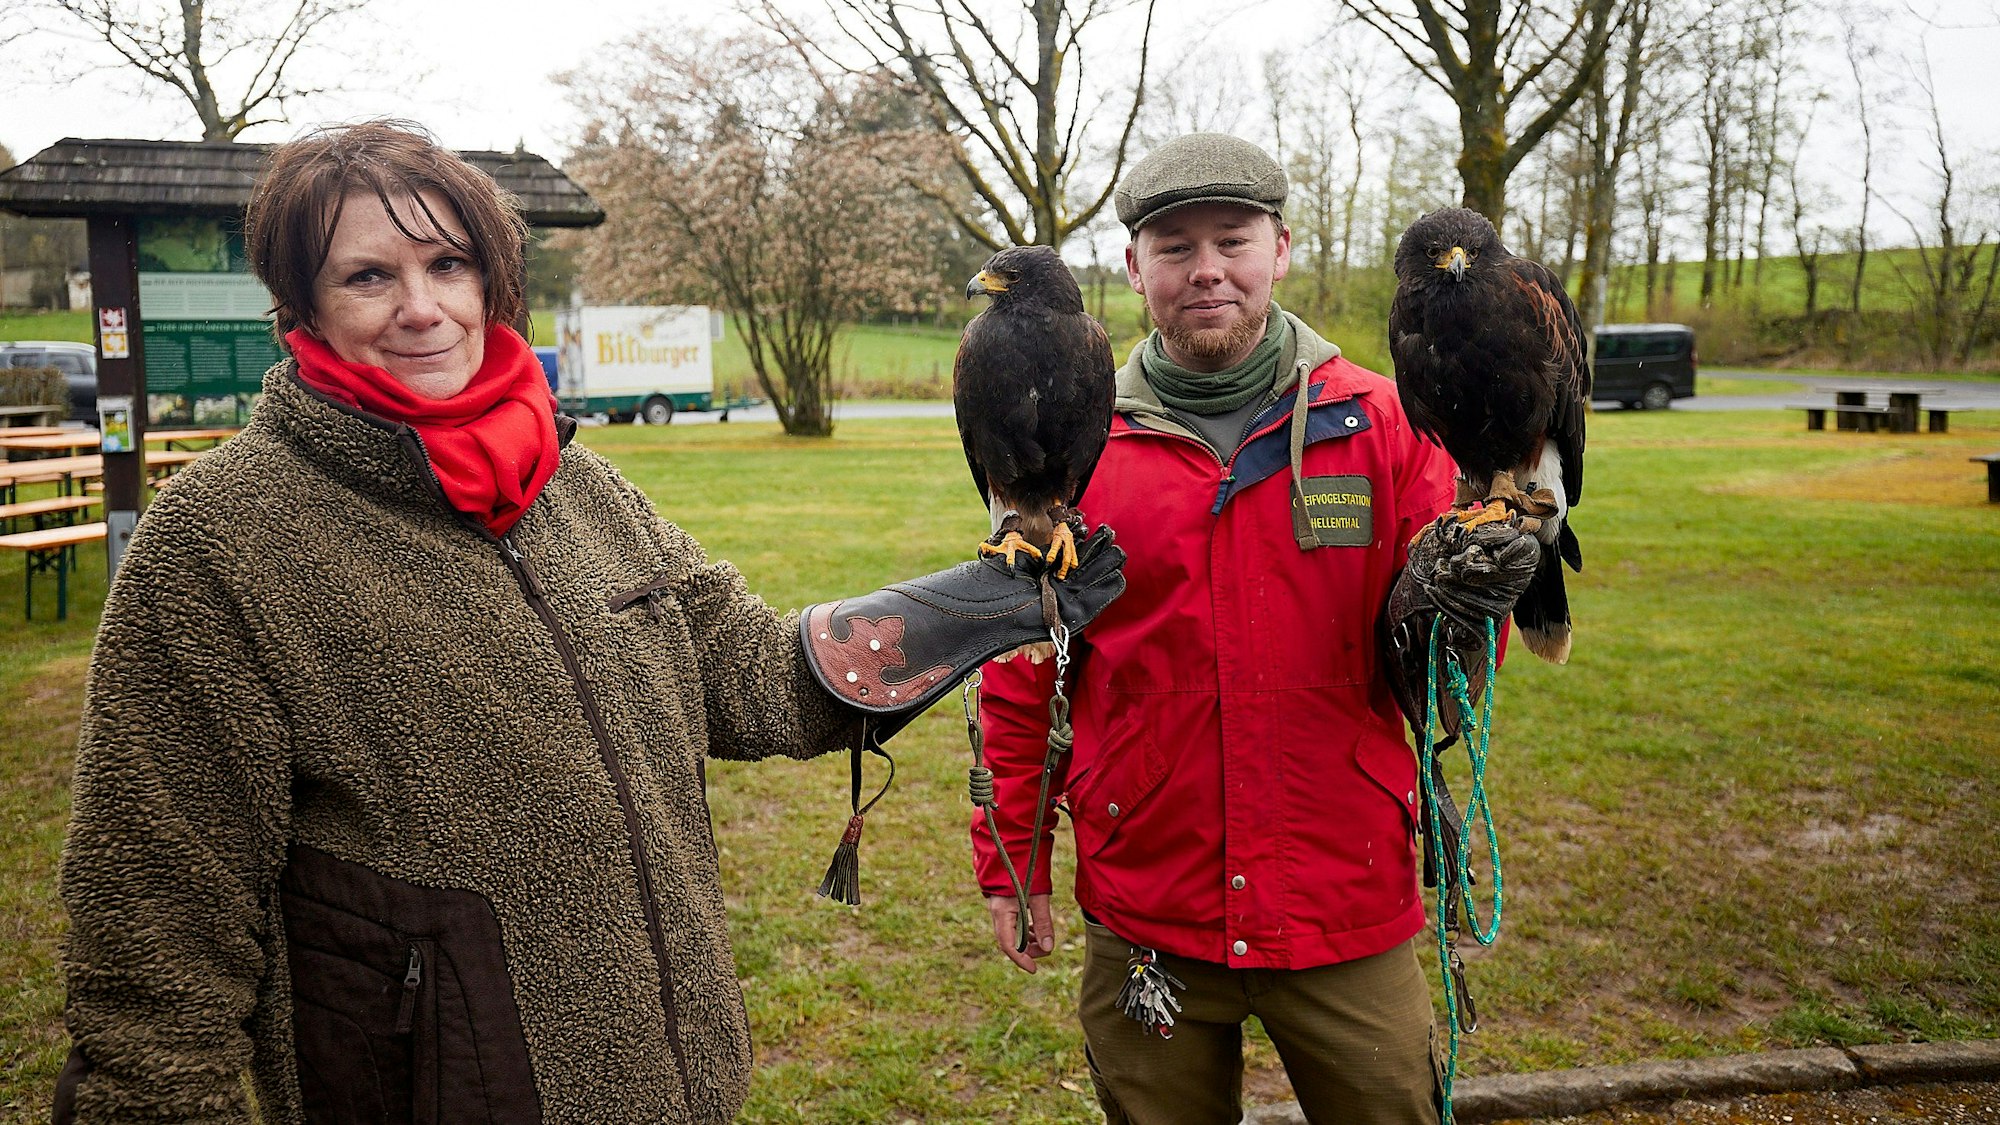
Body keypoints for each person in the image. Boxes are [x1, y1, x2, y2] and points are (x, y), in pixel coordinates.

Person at [54, 120, 1122, 1125]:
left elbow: (746, 669)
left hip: (681, 1079)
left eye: (447, 265)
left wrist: (986, 602)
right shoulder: (219, 540)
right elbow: (153, 941)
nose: (421, 306)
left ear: (491, 280)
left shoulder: (575, 487)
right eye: (368, 275)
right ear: (303, 308)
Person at [968, 133, 1535, 1124]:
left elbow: (1445, 672)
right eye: (1173, 247)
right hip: (1146, 904)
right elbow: (1021, 670)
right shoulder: (1068, 434)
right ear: (1132, 266)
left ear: (1279, 247)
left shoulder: (1384, 421)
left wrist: (1462, 615)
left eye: (1230, 240)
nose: (1206, 271)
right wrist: (1011, 860)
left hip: (1341, 900)